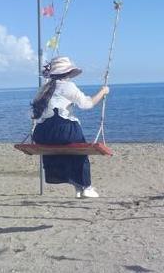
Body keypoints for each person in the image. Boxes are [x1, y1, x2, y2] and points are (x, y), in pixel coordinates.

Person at [31, 56, 109, 198]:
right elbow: (87, 104)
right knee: (79, 151)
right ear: (67, 73)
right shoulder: (68, 86)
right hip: (62, 131)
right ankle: (86, 186)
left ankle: (78, 186)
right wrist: (103, 92)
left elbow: (35, 112)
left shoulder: (44, 88)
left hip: (41, 133)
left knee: (63, 151)